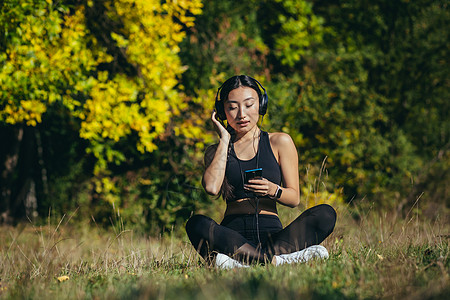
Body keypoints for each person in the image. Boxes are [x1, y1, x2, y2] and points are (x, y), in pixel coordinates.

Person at [185, 75, 336, 268]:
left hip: (274, 237)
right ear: (222, 111)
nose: (241, 114)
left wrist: (273, 189)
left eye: (249, 105)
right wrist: (224, 138)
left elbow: (294, 199)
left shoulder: (280, 142)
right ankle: (275, 261)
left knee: (325, 214)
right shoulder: (216, 151)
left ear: (261, 105)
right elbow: (211, 188)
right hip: (232, 238)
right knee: (196, 224)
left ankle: (242, 263)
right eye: (232, 107)